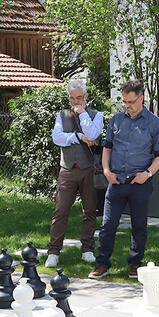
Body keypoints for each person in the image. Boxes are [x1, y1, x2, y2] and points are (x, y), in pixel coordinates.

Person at [89, 79, 159, 280]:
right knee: (107, 225)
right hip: (115, 181)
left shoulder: (155, 123)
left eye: (130, 102)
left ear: (141, 99)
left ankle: (135, 264)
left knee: (139, 226)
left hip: (139, 182)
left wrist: (147, 174)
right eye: (124, 101)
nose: (126, 106)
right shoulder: (116, 120)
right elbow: (108, 148)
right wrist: (106, 171)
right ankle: (102, 264)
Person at [47, 79, 105, 268]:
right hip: (67, 170)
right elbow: (57, 138)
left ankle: (87, 250)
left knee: (89, 211)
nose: (75, 102)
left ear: (86, 96)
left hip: (88, 170)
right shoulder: (61, 115)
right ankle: (54, 251)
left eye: (79, 98)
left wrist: (82, 115)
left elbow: (93, 134)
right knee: (60, 211)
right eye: (72, 99)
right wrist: (78, 137)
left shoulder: (96, 116)